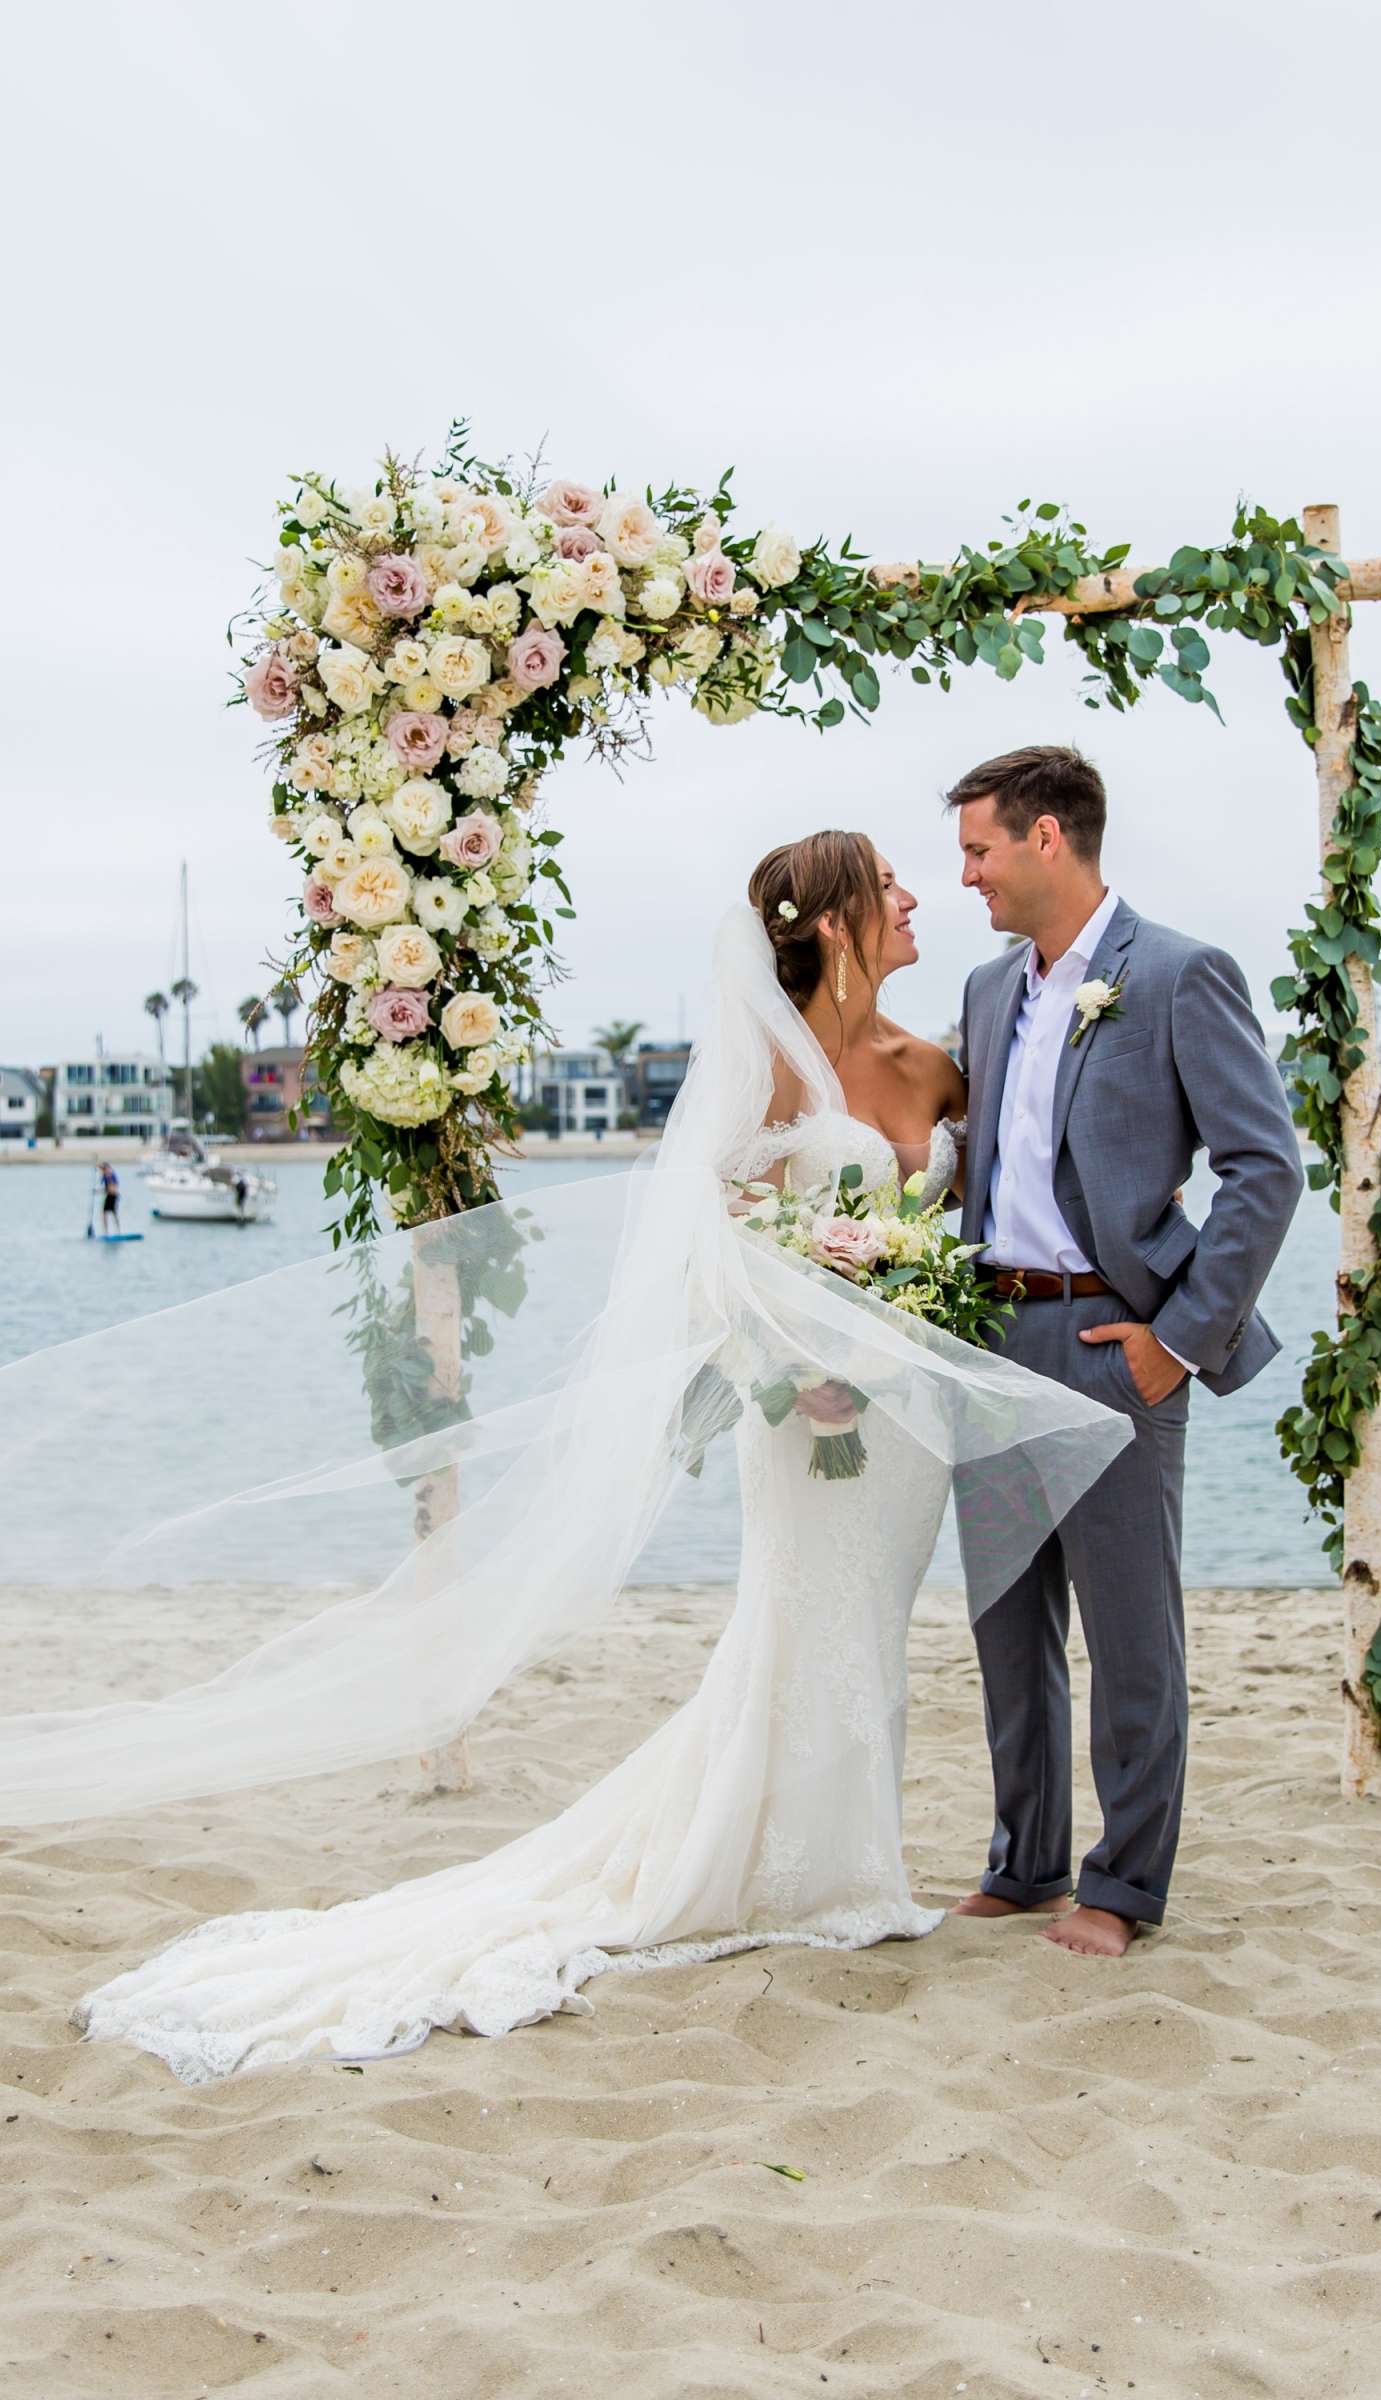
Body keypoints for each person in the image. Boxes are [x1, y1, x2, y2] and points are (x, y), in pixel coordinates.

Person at [12, 833, 1128, 2081]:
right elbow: (714, 1239)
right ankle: (799, 1871)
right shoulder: (765, 1063)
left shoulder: (935, 1063)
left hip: (903, 1421)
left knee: (866, 1630)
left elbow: (1016, 1180)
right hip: (805, 1412)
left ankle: (845, 1860)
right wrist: (789, 1362)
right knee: (798, 1624)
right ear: (827, 920)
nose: (920, 896)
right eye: (891, 888)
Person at [948, 745, 1303, 1957]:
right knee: (1008, 1624)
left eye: (979, 848)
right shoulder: (990, 989)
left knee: (1130, 1633)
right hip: (989, 1338)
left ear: (1049, 838)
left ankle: (1122, 1888)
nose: (967, 876)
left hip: (1113, 1340)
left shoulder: (1180, 975)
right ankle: (1026, 1863)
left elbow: (1267, 1165)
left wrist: (1178, 1341)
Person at [97, 1159, 120, 1233]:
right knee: (104, 1213)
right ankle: (106, 1232)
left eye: (104, 1169)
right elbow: (105, 1188)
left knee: (114, 1213)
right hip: (108, 1195)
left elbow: (112, 1188)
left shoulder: (111, 1175)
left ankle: (118, 1231)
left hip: (113, 1196)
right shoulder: (104, 1176)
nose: (102, 1171)